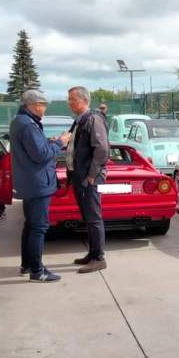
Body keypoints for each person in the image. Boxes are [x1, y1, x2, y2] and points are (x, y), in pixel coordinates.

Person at [9, 89, 70, 283]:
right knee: (39, 227)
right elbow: (41, 155)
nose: (44, 110)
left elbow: (35, 149)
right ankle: (37, 270)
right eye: (43, 106)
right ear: (35, 106)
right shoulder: (28, 125)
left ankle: (27, 264)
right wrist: (59, 142)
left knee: (30, 225)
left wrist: (46, 142)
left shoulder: (21, 122)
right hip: (37, 183)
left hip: (30, 182)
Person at [67, 86, 109, 273]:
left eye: (72, 99)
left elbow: (101, 150)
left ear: (83, 100)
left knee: (93, 218)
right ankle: (92, 253)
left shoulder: (93, 119)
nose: (69, 103)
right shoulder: (79, 121)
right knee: (88, 217)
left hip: (88, 179)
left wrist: (92, 175)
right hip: (79, 177)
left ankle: (99, 258)